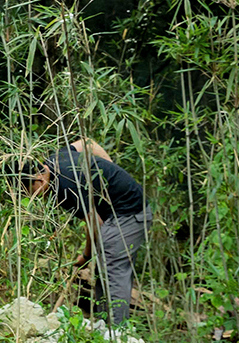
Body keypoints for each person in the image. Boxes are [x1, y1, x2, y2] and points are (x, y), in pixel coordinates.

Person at [8, 139, 146, 327]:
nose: (31, 197)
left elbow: (94, 225)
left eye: (29, 191)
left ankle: (119, 332)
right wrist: (111, 169)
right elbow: (86, 142)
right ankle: (105, 326)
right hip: (114, 214)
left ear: (39, 180)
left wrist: (86, 255)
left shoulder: (66, 187)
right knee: (104, 269)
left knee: (114, 268)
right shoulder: (55, 159)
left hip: (129, 212)